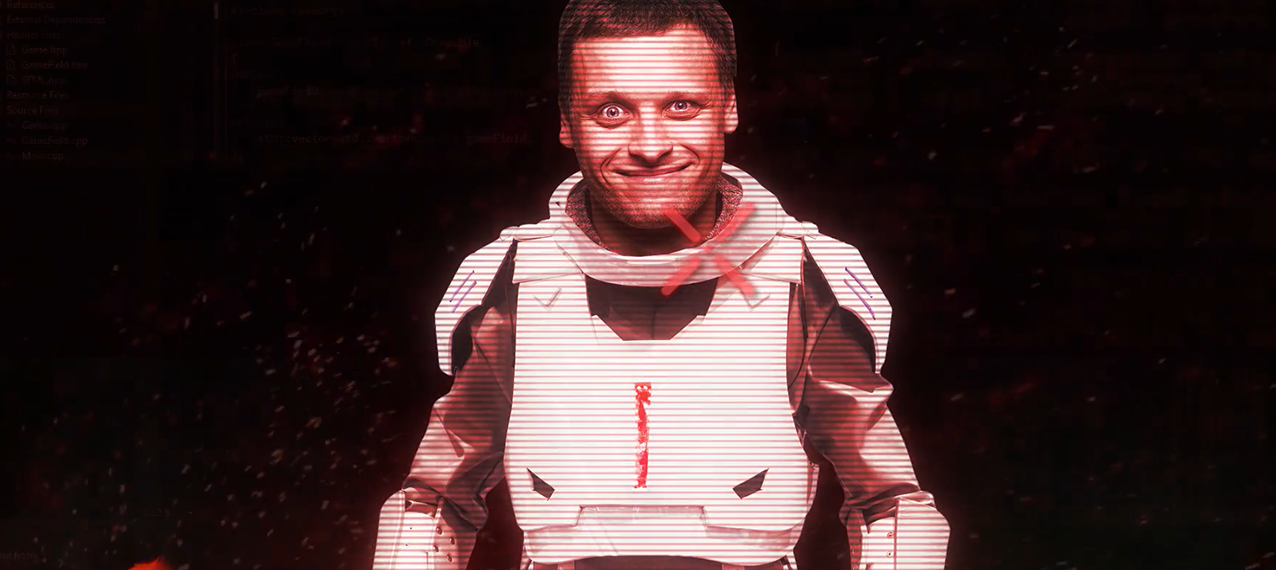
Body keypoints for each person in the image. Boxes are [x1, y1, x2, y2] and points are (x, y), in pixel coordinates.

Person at [372, 1, 950, 569]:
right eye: (611, 111)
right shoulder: (514, 285)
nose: (650, 146)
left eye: (680, 106)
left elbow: (889, 507)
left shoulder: (802, 282)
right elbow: (433, 504)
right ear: (566, 121)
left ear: (729, 107)